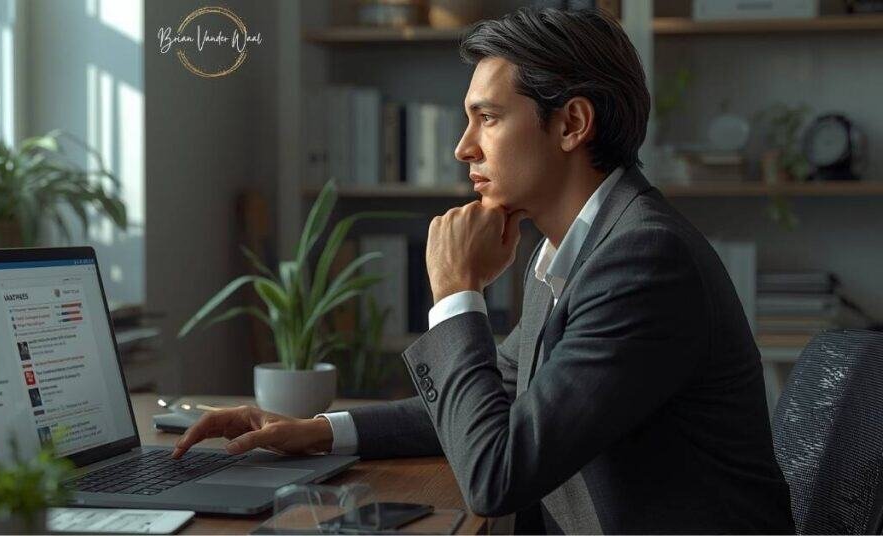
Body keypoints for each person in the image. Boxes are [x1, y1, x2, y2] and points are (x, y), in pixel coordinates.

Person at [173, 7, 795, 533]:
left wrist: (455, 292)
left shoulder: (644, 261)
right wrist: (317, 431)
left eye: (488, 118)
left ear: (572, 124)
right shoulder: (578, 248)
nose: (462, 146)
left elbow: (496, 474)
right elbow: (495, 399)